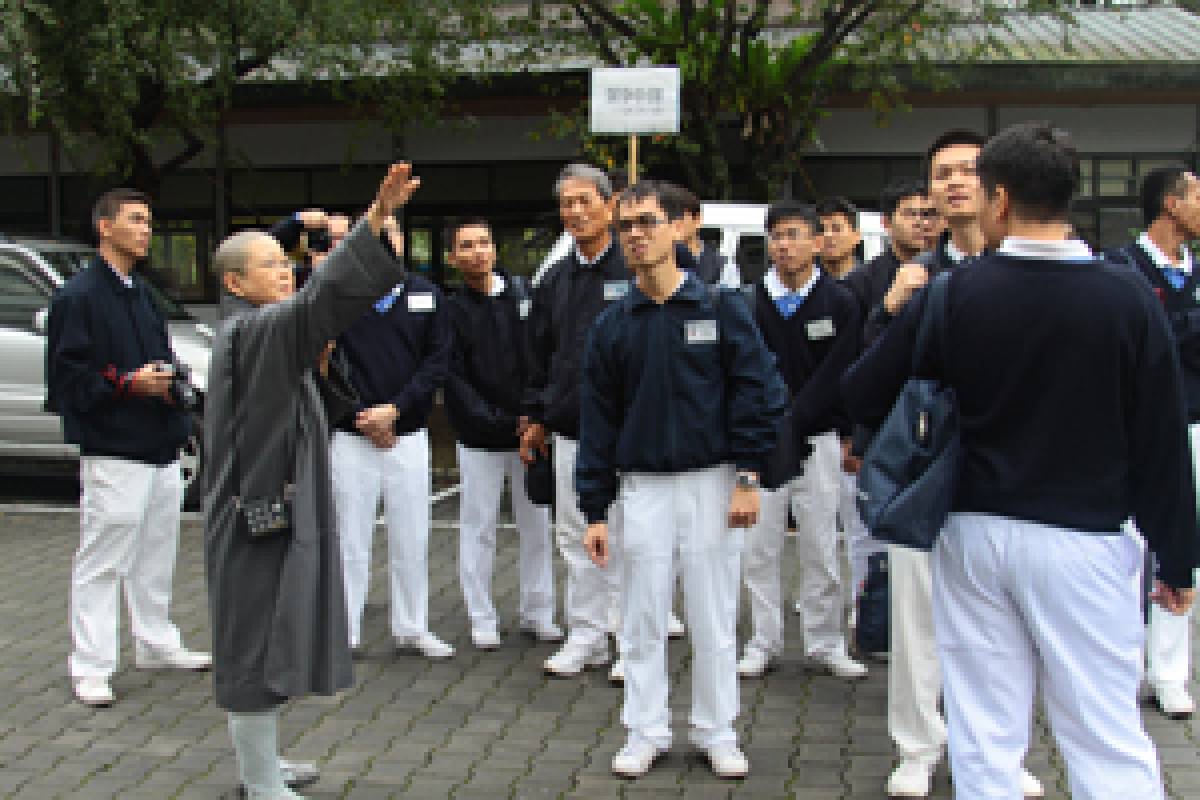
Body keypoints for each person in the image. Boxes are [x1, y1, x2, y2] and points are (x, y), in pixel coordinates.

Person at [845, 122, 1198, 799]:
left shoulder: (953, 294)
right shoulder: (1126, 296)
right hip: (1088, 540)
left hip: (972, 535)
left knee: (985, 735)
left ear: (998, 199)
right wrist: (1178, 560)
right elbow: (1161, 442)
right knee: (1103, 732)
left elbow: (862, 390)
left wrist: (902, 320)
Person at [204, 162, 421, 800]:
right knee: (252, 642)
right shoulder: (253, 331)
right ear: (235, 283)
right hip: (255, 515)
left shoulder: (259, 333)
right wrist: (375, 223)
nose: (285, 271)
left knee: (274, 634)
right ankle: (258, 779)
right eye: (271, 265)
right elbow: (322, 302)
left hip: (271, 508)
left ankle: (263, 763)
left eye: (286, 262)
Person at [577, 180, 787, 779]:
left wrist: (748, 475)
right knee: (642, 616)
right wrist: (595, 509)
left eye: (647, 222)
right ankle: (645, 730)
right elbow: (598, 420)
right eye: (626, 227)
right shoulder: (613, 326)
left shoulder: (722, 310)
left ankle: (716, 731)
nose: (636, 235)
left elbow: (760, 392)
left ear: (678, 228)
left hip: (714, 484)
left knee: (714, 615)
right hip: (642, 488)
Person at [855, 129, 1043, 798]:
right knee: (915, 617)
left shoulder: (1031, 266)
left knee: (1000, 628)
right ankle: (917, 744)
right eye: (942, 173)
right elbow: (869, 374)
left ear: (997, 187)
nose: (954, 182)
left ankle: (997, 748)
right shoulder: (903, 274)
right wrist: (892, 308)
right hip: (925, 472)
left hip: (1006, 475)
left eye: (968, 170)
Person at [46, 188, 211, 709]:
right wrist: (126, 384)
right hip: (114, 448)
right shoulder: (77, 297)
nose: (146, 229)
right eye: (136, 220)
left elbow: (158, 355)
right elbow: (68, 383)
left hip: (160, 443)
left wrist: (168, 381)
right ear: (105, 227)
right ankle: (91, 664)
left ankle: (155, 639)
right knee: (103, 557)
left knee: (156, 551)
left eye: (149, 220)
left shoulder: (140, 292)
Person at [736, 201, 866, 681]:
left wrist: (800, 419)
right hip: (763, 442)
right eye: (775, 236)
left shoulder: (841, 302)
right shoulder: (749, 303)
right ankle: (762, 641)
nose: (783, 246)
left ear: (817, 242)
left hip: (818, 441)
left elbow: (840, 374)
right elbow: (747, 370)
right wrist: (773, 421)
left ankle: (825, 642)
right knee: (760, 547)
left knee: (819, 545)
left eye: (793, 235)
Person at [521, 163, 630, 679]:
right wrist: (536, 416)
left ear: (610, 206)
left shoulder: (632, 271)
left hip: (628, 432)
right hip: (569, 428)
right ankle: (587, 634)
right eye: (567, 203)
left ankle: (630, 638)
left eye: (586, 200)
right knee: (574, 533)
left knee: (627, 536)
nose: (577, 211)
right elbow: (539, 353)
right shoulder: (556, 279)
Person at [330, 206, 453, 660]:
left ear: (403, 240)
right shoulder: (338, 298)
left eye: (392, 231)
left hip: (407, 435)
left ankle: (412, 626)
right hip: (352, 437)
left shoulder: (427, 295)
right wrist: (365, 415)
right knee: (350, 538)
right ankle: (344, 632)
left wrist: (396, 411)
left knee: (411, 534)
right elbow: (329, 369)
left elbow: (437, 362)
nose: (385, 240)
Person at [444, 217, 560, 650]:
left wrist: (535, 417)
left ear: (495, 248)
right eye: (467, 246)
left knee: (538, 527)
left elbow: (544, 356)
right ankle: (481, 617)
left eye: (484, 243)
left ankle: (539, 612)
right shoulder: (451, 310)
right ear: (453, 258)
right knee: (479, 528)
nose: (477, 251)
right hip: (480, 438)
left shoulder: (525, 295)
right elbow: (454, 379)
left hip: (531, 434)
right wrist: (497, 421)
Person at [1110, 165, 1200, 720]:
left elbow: (1168, 334)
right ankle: (1120, 665)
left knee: (1183, 546)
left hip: (1194, 421)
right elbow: (1143, 340)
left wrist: (1177, 326)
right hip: (1131, 426)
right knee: (1125, 546)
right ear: (1171, 204)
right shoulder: (1121, 269)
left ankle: (1169, 672)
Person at [838, 180, 939, 625]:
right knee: (869, 534)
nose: (921, 222)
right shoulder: (863, 282)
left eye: (928, 213)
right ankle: (872, 618)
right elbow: (852, 361)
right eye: (910, 214)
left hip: (938, 425)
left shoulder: (954, 273)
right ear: (886, 222)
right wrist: (853, 436)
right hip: (881, 427)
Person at [668, 185, 741, 287]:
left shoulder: (723, 266)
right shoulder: (655, 262)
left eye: (679, 216)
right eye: (668, 218)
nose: (673, 223)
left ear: (697, 219)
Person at [816, 196, 862, 279]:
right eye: (821, 230)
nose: (827, 235)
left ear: (856, 237)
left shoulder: (872, 283)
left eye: (836, 229)